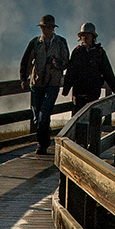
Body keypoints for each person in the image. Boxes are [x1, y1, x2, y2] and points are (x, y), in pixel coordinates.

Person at [20, 14, 70, 155]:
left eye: (48, 27)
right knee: (37, 117)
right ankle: (44, 140)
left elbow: (67, 62)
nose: (45, 30)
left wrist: (57, 64)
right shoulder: (35, 42)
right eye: (43, 27)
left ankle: (42, 145)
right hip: (36, 84)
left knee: (44, 114)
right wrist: (24, 79)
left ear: (53, 28)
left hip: (53, 84)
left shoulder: (61, 42)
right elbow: (26, 61)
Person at [62, 22, 115, 114]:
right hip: (79, 90)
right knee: (78, 115)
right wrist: (66, 89)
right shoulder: (77, 52)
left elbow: (107, 71)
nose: (85, 37)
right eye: (83, 35)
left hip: (93, 90)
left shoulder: (99, 52)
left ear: (93, 36)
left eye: (88, 34)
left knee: (92, 114)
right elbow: (71, 72)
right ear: (80, 37)